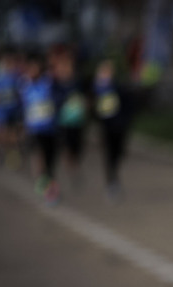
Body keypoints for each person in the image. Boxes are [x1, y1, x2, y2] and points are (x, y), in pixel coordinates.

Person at [21, 52, 60, 203]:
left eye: (35, 68)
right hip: (34, 131)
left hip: (50, 130)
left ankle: (50, 187)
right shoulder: (24, 86)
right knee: (39, 157)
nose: (32, 71)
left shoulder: (47, 83)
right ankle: (44, 185)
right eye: (30, 69)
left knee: (50, 162)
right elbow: (23, 108)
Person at [92, 58, 131, 200]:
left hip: (119, 128)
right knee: (109, 155)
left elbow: (127, 106)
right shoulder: (97, 90)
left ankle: (114, 176)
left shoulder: (119, 87)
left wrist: (125, 123)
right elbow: (96, 112)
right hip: (106, 129)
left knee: (118, 154)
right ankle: (111, 181)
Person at [50, 47, 87, 190]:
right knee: (66, 148)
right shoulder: (56, 84)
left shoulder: (78, 83)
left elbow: (85, 98)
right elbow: (54, 101)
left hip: (77, 123)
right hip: (63, 123)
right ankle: (71, 170)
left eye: (68, 66)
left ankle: (74, 166)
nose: (65, 69)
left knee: (77, 149)